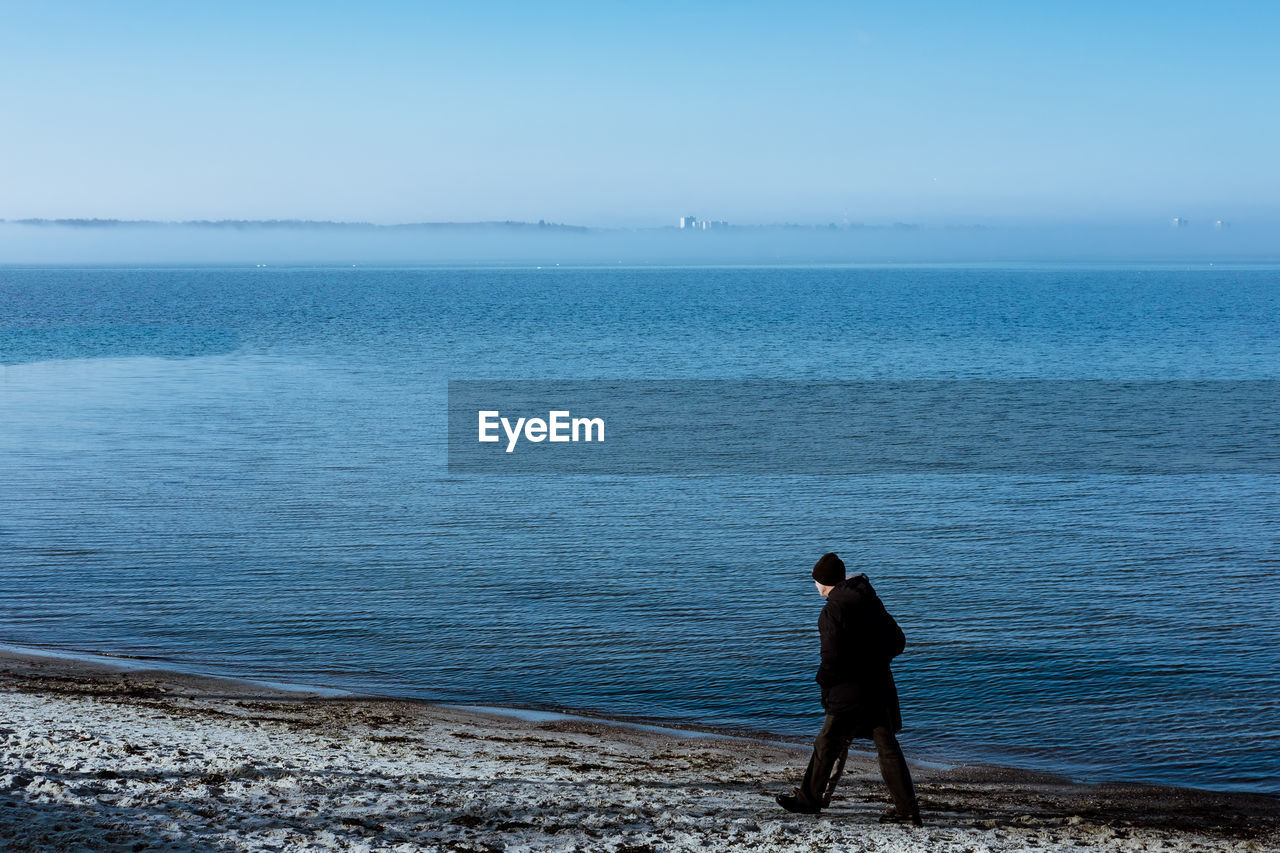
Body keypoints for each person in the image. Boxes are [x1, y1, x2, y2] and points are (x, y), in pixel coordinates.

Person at [775, 552, 922, 825]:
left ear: (825, 582)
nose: (815, 586)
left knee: (827, 742)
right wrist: (875, 660)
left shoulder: (832, 610)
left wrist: (824, 680)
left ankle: (809, 801)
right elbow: (898, 641)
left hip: (848, 690)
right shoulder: (869, 600)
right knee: (887, 747)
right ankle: (908, 810)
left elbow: (831, 657)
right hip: (877, 685)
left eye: (816, 581)